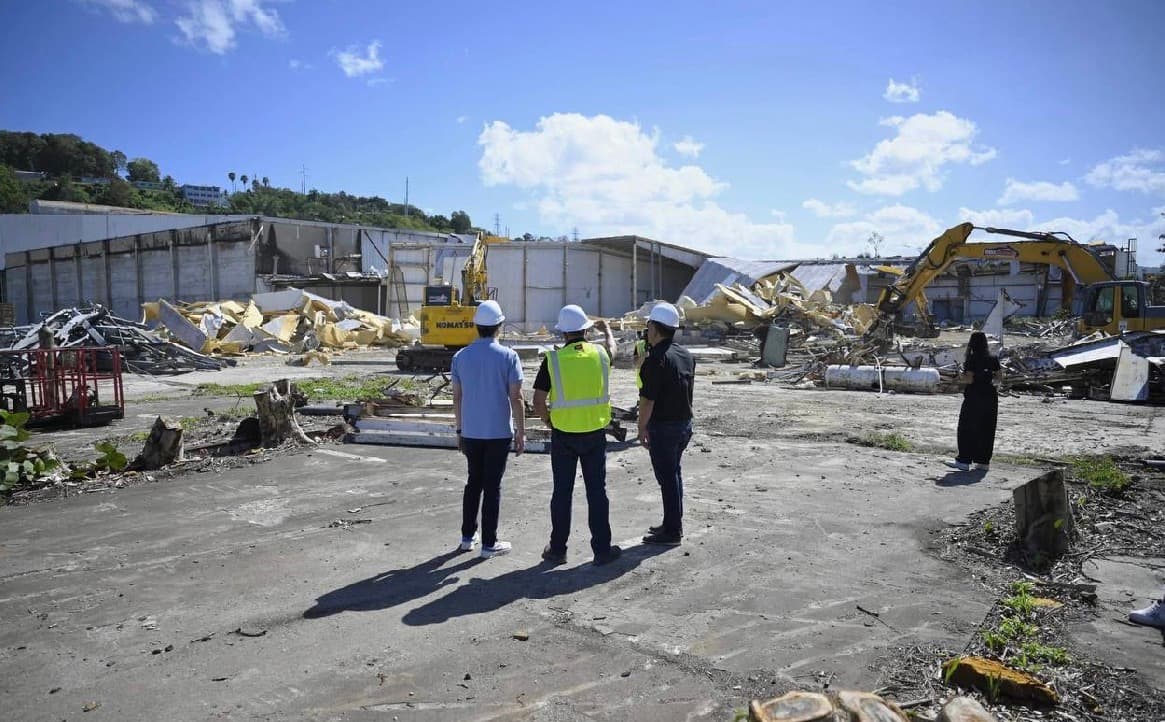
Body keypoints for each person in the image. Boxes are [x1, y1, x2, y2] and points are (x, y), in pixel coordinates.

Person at [532, 304, 622, 567]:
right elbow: (612, 350)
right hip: (595, 433)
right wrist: (607, 331)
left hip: (564, 435)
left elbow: (538, 401)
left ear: (563, 334)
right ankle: (602, 550)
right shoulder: (600, 355)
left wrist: (549, 420)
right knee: (597, 492)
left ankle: (558, 549)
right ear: (586, 330)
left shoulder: (553, 360)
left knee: (562, 493)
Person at [451, 300, 525, 559]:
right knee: (492, 487)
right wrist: (521, 432)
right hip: (497, 433)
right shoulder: (509, 356)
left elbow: (457, 398)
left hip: (471, 432)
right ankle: (489, 544)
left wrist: (459, 430)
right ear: (499, 326)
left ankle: (467, 537)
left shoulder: (460, 357)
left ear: (476, 326)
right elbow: (516, 398)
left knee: (473, 483)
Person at [638, 302, 695, 546]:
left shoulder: (656, 360)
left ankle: (672, 531)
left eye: (648, 325)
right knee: (674, 475)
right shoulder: (685, 355)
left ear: (655, 328)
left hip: (664, 428)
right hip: (684, 424)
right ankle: (672, 522)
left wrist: (641, 428)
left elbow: (647, 400)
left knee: (668, 478)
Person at [945, 331, 1002, 472]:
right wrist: (987, 377)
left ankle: (964, 460)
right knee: (986, 428)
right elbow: (999, 377)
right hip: (990, 396)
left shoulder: (971, 358)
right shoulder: (993, 358)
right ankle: (983, 461)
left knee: (967, 428)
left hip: (975, 396)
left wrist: (960, 376)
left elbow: (969, 379)